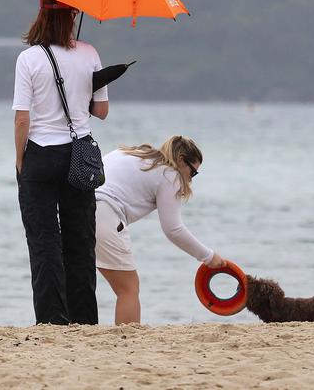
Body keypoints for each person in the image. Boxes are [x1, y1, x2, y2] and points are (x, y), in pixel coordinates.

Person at [13, 0, 109, 325]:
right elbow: (101, 111)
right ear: (73, 15)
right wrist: (90, 84)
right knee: (80, 239)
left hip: (40, 153)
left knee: (44, 241)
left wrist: (20, 161)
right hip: (78, 154)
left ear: (41, 14)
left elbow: (22, 119)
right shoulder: (90, 53)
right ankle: (84, 320)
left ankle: (53, 320)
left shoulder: (28, 58)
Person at [94, 135, 226, 324]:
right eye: (193, 173)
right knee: (129, 289)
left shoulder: (129, 152)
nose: (191, 179)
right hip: (105, 214)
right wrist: (209, 256)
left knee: (80, 280)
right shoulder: (169, 174)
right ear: (181, 160)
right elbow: (173, 229)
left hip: (76, 210)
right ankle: (126, 344)